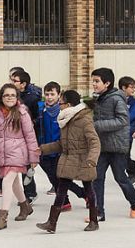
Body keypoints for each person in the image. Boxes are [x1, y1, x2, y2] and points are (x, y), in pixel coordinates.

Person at [38, 89, 101, 233]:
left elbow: (95, 142)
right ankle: (51, 223)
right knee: (61, 190)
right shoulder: (66, 119)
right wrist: (42, 149)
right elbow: (62, 144)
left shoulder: (84, 120)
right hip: (69, 159)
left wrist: (92, 159)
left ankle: (94, 221)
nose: (59, 105)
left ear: (69, 105)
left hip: (84, 160)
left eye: (61, 103)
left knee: (89, 190)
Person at [0, 83, 41, 230]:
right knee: (14, 183)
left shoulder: (22, 113)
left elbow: (30, 136)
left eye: (13, 95)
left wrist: (34, 157)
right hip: (3, 154)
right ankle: (25, 206)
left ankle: (3, 217)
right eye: (6, 95)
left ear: (17, 98)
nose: (10, 98)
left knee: (6, 181)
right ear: (1, 97)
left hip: (19, 152)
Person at [90, 67, 135, 219]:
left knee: (120, 177)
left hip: (117, 147)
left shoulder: (116, 99)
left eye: (97, 81)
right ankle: (98, 212)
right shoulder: (98, 98)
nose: (94, 84)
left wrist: (98, 125)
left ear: (107, 83)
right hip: (102, 146)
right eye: (93, 81)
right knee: (97, 177)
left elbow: (122, 120)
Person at [37, 80, 63, 204]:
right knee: (52, 175)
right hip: (44, 148)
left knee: (60, 178)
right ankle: (80, 194)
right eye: (47, 94)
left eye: (52, 94)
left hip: (59, 149)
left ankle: (65, 200)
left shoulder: (63, 111)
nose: (49, 97)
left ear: (59, 95)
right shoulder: (41, 109)